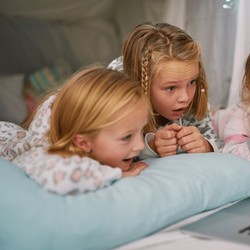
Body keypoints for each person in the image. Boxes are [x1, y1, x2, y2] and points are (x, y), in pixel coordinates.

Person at [0, 67, 152, 194]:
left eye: (141, 130)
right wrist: (116, 175)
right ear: (83, 143)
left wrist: (152, 143)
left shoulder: (103, 139)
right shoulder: (49, 156)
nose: (139, 145)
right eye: (127, 137)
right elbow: (59, 177)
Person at [108, 22, 221, 158]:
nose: (185, 97)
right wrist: (151, 146)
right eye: (171, 88)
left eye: (192, 82)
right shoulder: (117, 98)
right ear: (142, 85)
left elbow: (212, 137)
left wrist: (206, 145)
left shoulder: (194, 93)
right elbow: (111, 152)